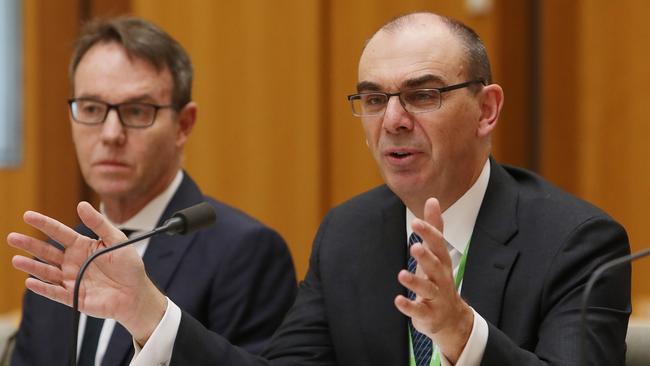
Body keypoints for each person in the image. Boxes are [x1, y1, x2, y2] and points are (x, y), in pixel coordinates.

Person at [8, 11, 630, 366]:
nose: (392, 119)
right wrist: (148, 313)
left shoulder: (577, 243)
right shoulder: (349, 236)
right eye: (373, 98)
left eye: (422, 94)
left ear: (487, 109)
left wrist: (463, 333)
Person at [9, 16, 297, 366]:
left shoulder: (245, 252)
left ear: (183, 125)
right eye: (91, 109)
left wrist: (152, 318)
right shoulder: (57, 257)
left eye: (136, 111)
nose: (111, 133)